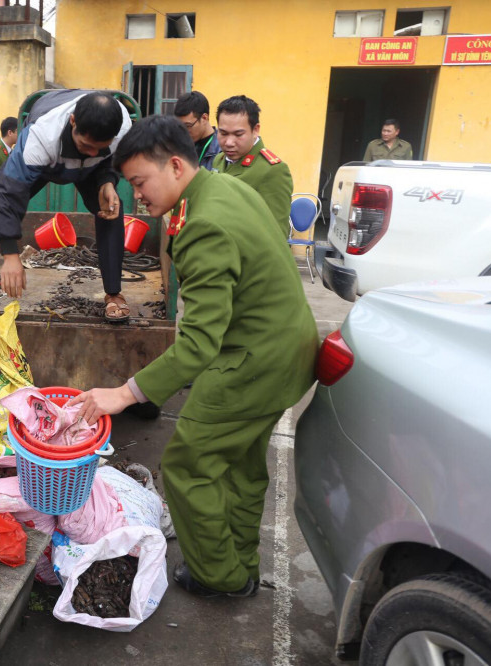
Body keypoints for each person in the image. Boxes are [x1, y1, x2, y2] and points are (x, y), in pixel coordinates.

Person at [69, 115, 318, 598]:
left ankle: (218, 577)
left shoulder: (203, 224)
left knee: (187, 466)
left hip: (252, 361)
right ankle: (241, 561)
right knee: (241, 463)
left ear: (177, 165)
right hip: (287, 346)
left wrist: (125, 393)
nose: (137, 195)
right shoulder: (222, 188)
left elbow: (201, 343)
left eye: (141, 181)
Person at [0, 90, 132, 322]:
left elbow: (111, 160)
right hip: (45, 164)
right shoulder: (42, 134)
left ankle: (113, 293)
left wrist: (107, 182)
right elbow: (9, 197)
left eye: (100, 147)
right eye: (86, 144)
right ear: (73, 122)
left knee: (111, 210)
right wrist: (10, 255)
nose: (92, 152)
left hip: (93, 171)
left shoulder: (123, 128)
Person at [211, 95, 293, 233]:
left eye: (238, 134)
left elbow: (276, 233)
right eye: (223, 133)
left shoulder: (273, 170)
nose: (229, 142)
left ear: (255, 130)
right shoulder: (219, 160)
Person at [173, 91, 221, 170]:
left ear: (204, 118)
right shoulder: (180, 146)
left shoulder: (222, 150)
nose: (183, 131)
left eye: (188, 126)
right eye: (180, 126)